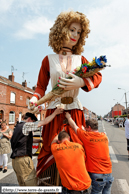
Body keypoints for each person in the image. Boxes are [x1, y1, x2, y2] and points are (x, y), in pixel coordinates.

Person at [28, 10, 102, 177]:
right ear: (61, 30)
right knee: (51, 147)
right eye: (72, 29)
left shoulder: (81, 59)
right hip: (54, 110)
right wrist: (34, 100)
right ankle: (51, 182)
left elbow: (97, 76)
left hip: (74, 110)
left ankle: (75, 183)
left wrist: (81, 82)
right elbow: (41, 86)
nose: (75, 35)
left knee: (76, 146)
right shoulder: (48, 59)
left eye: (78, 32)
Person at [11, 108, 63, 188]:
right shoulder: (26, 125)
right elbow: (44, 122)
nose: (33, 124)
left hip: (15, 161)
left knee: (24, 187)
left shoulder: (17, 126)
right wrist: (55, 113)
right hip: (23, 159)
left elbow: (26, 141)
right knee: (32, 187)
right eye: (33, 122)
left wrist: (41, 141)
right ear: (29, 119)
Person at [65, 112, 114, 194]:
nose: (86, 130)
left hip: (97, 176)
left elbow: (74, 126)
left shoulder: (87, 137)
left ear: (89, 128)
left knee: (96, 191)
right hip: (109, 174)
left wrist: (69, 117)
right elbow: (93, 136)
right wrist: (85, 130)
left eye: (86, 128)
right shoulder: (104, 136)